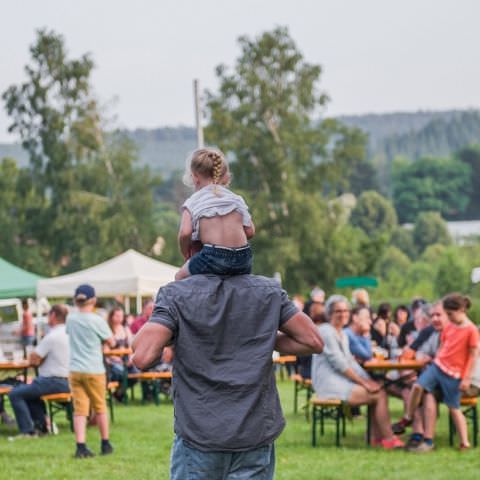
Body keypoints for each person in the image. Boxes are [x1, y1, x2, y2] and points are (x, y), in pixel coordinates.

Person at [132, 274, 324, 479]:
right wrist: (261, 337)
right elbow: (312, 341)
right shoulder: (267, 290)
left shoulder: (178, 293)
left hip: (203, 431)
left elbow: (141, 355)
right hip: (251, 431)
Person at [312, 295, 404, 449]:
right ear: (330, 314)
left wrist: (368, 380)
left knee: (378, 390)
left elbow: (351, 362)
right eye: (338, 311)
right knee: (379, 394)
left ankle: (375, 437)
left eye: (345, 310)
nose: (343, 314)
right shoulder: (326, 331)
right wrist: (365, 383)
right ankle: (388, 438)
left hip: (339, 381)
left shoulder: (341, 333)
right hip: (328, 385)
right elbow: (340, 364)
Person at [393, 293, 479, 450]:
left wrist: (466, 378)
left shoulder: (471, 330)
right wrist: (433, 358)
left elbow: (473, 356)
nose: (447, 318)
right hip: (438, 367)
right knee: (419, 387)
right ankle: (409, 421)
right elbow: (443, 347)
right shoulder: (448, 328)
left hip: (458, 376)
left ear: (461, 310)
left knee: (452, 406)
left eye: (447, 315)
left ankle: (463, 442)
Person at [175, 147, 255, 281]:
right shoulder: (235, 198)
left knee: (179, 277)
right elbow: (251, 231)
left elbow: (185, 233)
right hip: (243, 258)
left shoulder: (193, 201)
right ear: (223, 175)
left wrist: (186, 254)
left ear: (194, 177)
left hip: (213, 257)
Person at [67, 284, 116, 458]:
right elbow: (112, 342)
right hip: (94, 369)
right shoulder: (97, 320)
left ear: (76, 300)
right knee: (100, 407)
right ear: (93, 300)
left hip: (75, 369)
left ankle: (80, 446)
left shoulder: (70, 319)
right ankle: (105, 444)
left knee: (80, 410)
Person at [8, 304, 70, 437]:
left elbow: (33, 359)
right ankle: (41, 427)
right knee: (29, 392)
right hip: (68, 381)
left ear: (53, 315)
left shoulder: (52, 336)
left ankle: (27, 431)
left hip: (52, 381)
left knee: (15, 394)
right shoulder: (69, 333)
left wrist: (40, 359)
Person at [104, 307, 137, 401]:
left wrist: (131, 357)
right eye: (117, 316)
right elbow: (105, 351)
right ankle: (119, 395)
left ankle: (118, 393)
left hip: (126, 360)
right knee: (121, 372)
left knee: (136, 373)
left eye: (121, 316)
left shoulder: (126, 330)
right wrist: (115, 358)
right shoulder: (107, 330)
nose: (120, 318)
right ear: (111, 316)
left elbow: (131, 346)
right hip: (112, 361)